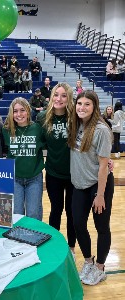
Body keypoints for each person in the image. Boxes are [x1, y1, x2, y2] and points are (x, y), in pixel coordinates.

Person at [68, 90, 114, 286]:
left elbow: (104, 165)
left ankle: (100, 268)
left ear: (94, 107)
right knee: (78, 224)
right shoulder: (77, 124)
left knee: (101, 227)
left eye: (87, 104)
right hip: (79, 185)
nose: (82, 107)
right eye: (79, 104)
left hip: (98, 186)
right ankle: (88, 261)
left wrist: (101, 195)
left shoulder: (101, 130)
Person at [36, 82, 76, 258]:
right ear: (51, 97)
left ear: (69, 98)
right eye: (56, 95)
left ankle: (72, 248)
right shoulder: (43, 117)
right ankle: (54, 245)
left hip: (75, 174)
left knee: (72, 212)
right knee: (56, 210)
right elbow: (37, 142)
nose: (59, 99)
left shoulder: (76, 116)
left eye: (63, 95)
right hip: (53, 173)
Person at [2, 97, 44, 220]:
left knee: (33, 214)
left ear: (28, 111)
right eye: (15, 111)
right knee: (16, 214)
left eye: (22, 110)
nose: (19, 114)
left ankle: (35, 238)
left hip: (34, 178)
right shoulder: (6, 130)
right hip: (14, 178)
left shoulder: (37, 128)